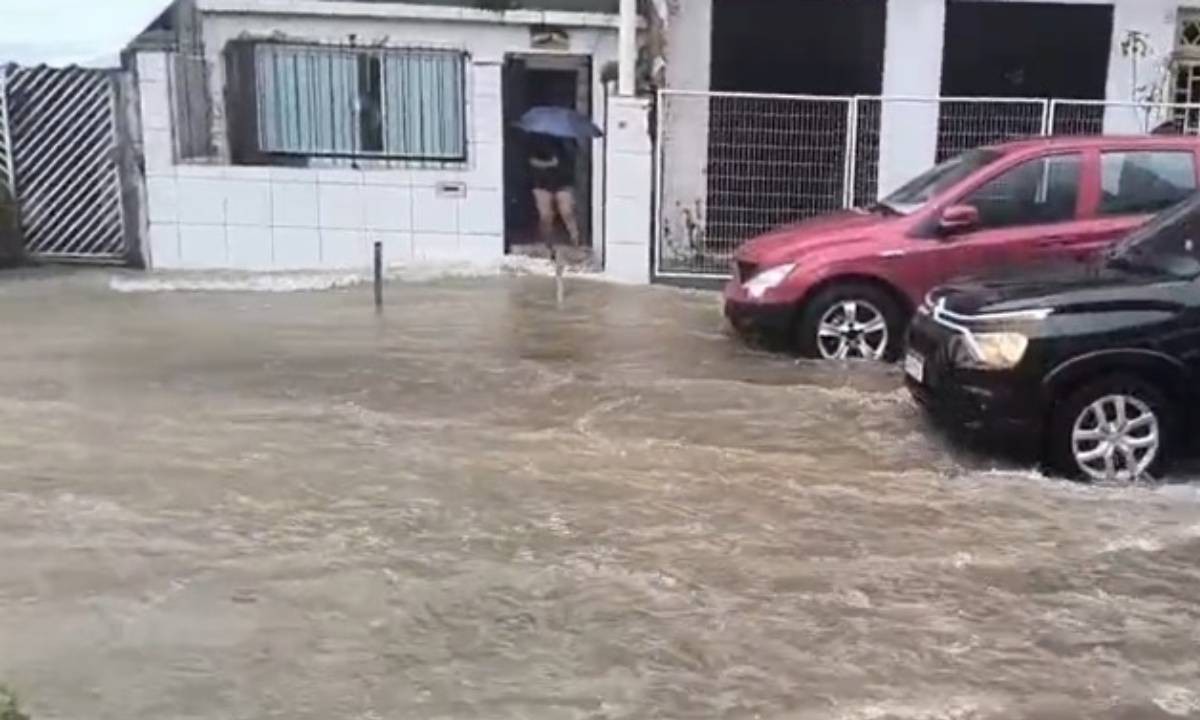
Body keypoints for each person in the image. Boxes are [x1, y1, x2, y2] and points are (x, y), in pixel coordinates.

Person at [527, 133, 581, 252]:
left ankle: (576, 242)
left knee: (567, 212)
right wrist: (550, 163)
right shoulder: (536, 138)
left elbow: (574, 157)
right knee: (546, 215)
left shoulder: (568, 140)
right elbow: (531, 160)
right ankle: (548, 244)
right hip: (542, 181)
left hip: (563, 180)